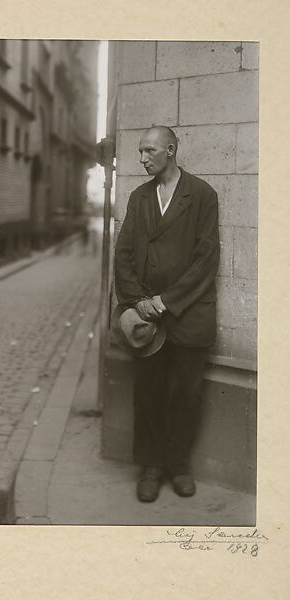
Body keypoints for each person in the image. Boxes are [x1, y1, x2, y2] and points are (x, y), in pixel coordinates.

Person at [114, 125, 220, 502]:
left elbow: (206, 259)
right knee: (149, 392)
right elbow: (123, 254)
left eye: (148, 151)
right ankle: (151, 466)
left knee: (187, 394)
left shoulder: (202, 195)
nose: (142, 158)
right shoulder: (138, 198)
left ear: (170, 150)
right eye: (140, 152)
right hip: (147, 317)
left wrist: (167, 301)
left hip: (188, 314)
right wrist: (137, 300)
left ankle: (179, 465)